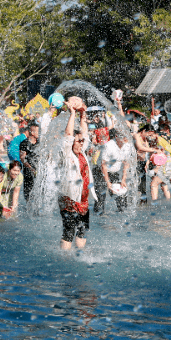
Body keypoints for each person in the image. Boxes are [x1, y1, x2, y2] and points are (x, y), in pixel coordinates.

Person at [58, 100, 98, 250]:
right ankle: (65, 259)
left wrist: (82, 115)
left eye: (82, 141)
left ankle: (80, 255)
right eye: (79, 141)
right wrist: (73, 114)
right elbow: (68, 134)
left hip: (83, 199)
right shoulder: (66, 152)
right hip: (69, 197)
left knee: (82, 231)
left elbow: (85, 133)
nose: (82, 143)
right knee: (69, 231)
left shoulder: (81, 152)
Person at [97, 128, 132, 213]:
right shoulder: (108, 146)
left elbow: (126, 163)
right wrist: (108, 182)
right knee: (101, 198)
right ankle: (100, 218)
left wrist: (123, 179)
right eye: (123, 136)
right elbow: (103, 165)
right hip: (101, 172)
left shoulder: (128, 146)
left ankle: (122, 215)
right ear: (116, 136)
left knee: (121, 197)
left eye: (126, 136)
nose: (125, 139)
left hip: (114, 172)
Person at [133, 124, 161, 204]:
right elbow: (140, 148)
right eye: (149, 134)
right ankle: (136, 204)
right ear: (144, 131)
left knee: (143, 186)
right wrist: (153, 150)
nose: (149, 136)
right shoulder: (136, 136)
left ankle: (143, 204)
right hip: (134, 164)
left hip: (142, 163)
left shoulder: (144, 138)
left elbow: (148, 151)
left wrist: (147, 162)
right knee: (137, 185)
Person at [19, 122, 39, 202]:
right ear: (32, 132)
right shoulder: (24, 143)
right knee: (28, 193)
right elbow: (22, 159)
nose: (39, 133)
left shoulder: (39, 143)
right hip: (29, 171)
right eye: (38, 131)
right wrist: (31, 169)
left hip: (38, 170)